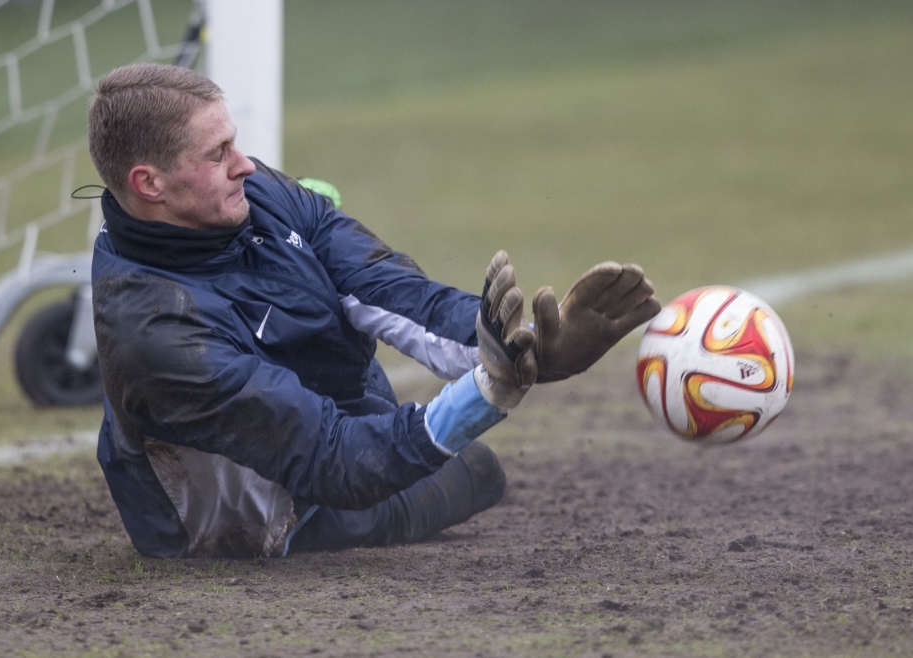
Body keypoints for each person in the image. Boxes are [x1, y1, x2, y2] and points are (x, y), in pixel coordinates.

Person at [87, 63, 660, 559]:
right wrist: (489, 391)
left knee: (447, 453)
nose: (247, 166)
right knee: (479, 471)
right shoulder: (157, 333)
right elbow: (334, 461)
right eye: (218, 154)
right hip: (266, 523)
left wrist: (526, 346)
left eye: (234, 143)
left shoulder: (254, 197)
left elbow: (384, 286)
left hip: (329, 430)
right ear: (149, 184)